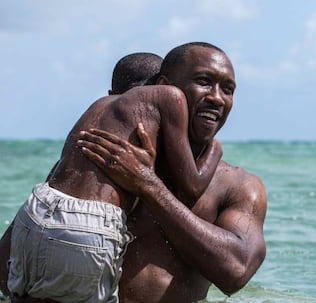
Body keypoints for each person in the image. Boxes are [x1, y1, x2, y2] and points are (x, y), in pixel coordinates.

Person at [4, 50, 223, 302]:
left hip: (37, 211)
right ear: (164, 82)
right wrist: (213, 150)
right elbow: (190, 187)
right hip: (86, 227)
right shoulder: (169, 96)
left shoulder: (99, 106)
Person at [77, 42, 267, 303]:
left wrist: (148, 186)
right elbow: (16, 260)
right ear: (165, 88)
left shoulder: (237, 185)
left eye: (228, 89)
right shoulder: (112, 158)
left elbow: (236, 270)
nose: (217, 97)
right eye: (204, 81)